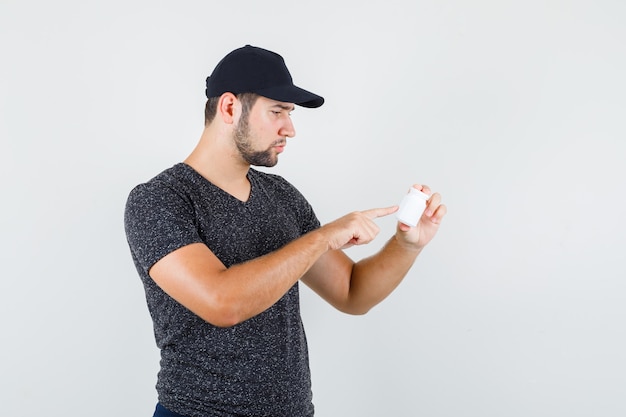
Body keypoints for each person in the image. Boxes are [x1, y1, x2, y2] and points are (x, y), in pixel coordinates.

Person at [124, 44, 446, 417]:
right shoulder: (159, 199)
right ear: (229, 107)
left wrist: (407, 245)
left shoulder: (282, 196)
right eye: (277, 111)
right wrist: (322, 237)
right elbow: (222, 302)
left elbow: (351, 293)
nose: (289, 129)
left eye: (290, 114)